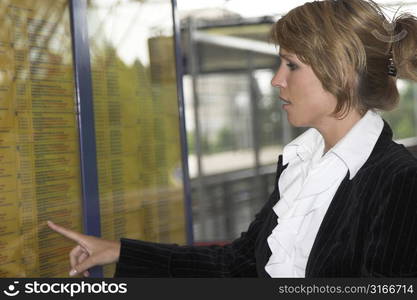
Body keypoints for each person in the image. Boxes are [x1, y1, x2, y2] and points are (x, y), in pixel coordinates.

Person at [48, 0, 417, 277]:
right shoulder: (303, 163)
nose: (277, 80)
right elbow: (238, 264)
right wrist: (119, 252)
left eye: (291, 65)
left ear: (341, 72)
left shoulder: (399, 180)